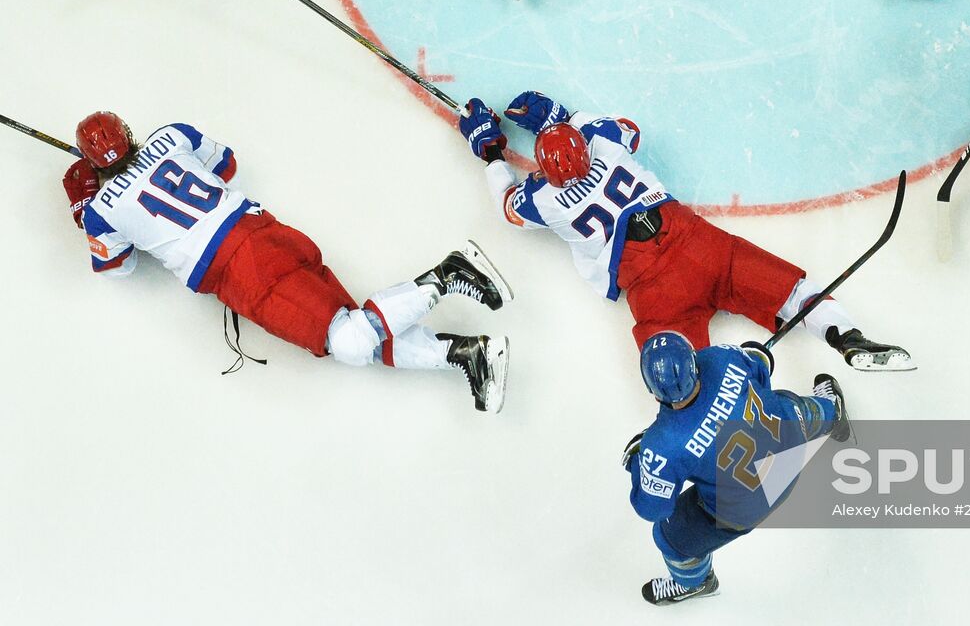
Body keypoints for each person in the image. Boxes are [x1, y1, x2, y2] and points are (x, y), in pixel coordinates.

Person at [61, 112, 510, 411]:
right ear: (130, 134)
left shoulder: (102, 210)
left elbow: (117, 268)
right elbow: (226, 166)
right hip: (268, 233)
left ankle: (448, 275)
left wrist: (84, 206)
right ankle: (466, 353)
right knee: (357, 331)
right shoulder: (171, 136)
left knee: (347, 344)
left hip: (240, 272)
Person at [456, 89, 913, 371]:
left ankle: (708, 437)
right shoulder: (606, 146)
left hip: (653, 289)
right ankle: (847, 338)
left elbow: (506, 207)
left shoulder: (544, 200)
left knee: (679, 376)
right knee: (793, 291)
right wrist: (562, 117)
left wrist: (490, 150)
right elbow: (628, 129)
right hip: (700, 246)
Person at [622, 332, 849, 605]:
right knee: (783, 405)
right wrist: (752, 354)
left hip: (750, 505)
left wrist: (639, 463)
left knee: (670, 537)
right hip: (791, 452)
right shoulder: (721, 357)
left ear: (651, 390)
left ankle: (696, 583)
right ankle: (832, 413)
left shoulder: (662, 446)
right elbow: (761, 367)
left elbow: (654, 508)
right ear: (694, 362)